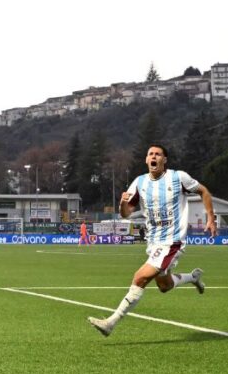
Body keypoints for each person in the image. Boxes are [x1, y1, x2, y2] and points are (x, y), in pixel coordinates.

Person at [88, 144, 217, 337]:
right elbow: (125, 214)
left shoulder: (178, 177)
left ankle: (110, 323)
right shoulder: (139, 182)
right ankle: (193, 277)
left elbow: (204, 191)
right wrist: (122, 203)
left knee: (140, 277)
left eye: (158, 154)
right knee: (164, 286)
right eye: (150, 154)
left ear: (165, 160)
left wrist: (211, 218)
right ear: (146, 160)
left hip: (172, 241)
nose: (154, 156)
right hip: (154, 242)